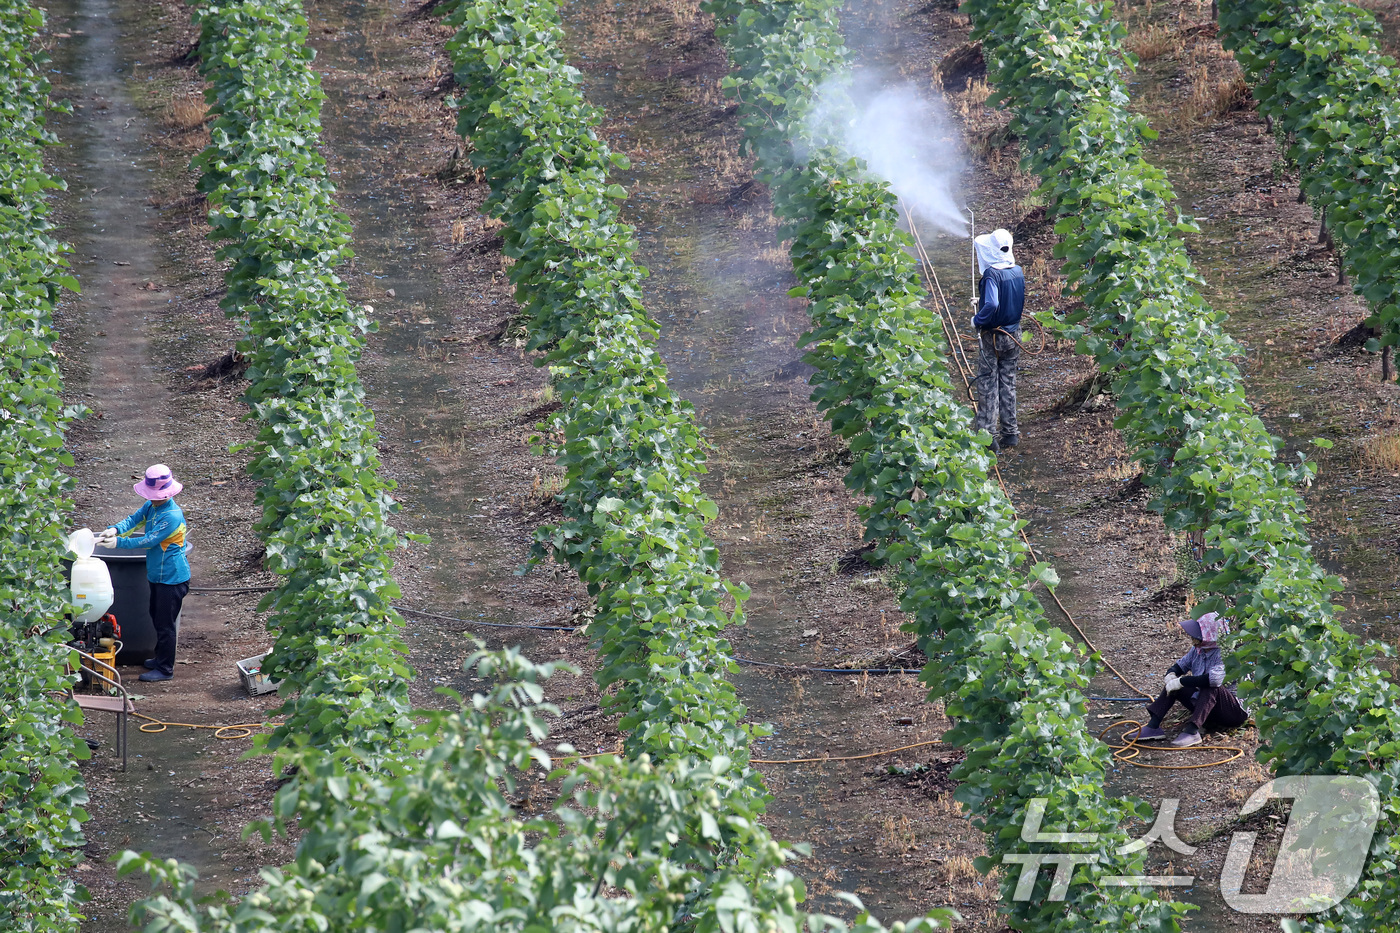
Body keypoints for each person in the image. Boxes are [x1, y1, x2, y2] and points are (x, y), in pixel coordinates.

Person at [95, 464, 190, 683]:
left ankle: (166, 668)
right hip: (158, 575)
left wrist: (118, 543)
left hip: (172, 578)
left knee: (166, 625)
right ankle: (160, 658)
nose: (153, 498)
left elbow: (149, 540)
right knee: (157, 617)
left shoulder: (172, 516)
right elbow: (133, 519)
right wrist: (115, 529)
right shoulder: (152, 506)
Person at [1137, 612, 1248, 747]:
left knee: (1211, 686)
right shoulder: (1198, 650)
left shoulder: (1227, 654)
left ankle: (1192, 731)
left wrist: (1181, 681)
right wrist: (1171, 674)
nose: (1193, 637)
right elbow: (1181, 665)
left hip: (1233, 713)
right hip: (1208, 708)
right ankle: (1153, 726)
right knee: (1174, 686)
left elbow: (1214, 680)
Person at [970, 228, 1025, 452]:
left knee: (988, 383)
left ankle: (988, 437)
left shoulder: (992, 274)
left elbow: (993, 304)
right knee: (1008, 381)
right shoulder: (1018, 271)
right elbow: (1006, 298)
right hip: (1014, 335)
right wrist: (982, 299)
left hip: (993, 336)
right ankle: (1011, 433)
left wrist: (977, 318)